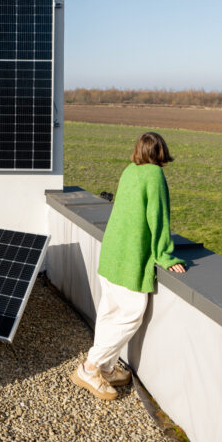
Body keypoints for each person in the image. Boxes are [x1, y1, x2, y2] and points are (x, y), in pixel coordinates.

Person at [71, 131, 187, 400]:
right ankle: (90, 367)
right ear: (161, 152)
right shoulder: (154, 176)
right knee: (132, 312)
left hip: (112, 253)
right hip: (130, 258)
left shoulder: (129, 171)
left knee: (109, 312)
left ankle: (107, 367)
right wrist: (166, 256)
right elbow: (157, 219)